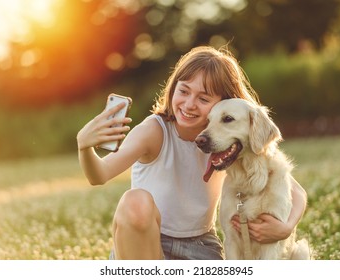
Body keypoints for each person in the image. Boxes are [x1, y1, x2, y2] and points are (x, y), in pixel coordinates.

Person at [77, 46, 307, 260]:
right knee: (134, 201)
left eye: (203, 98)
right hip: (146, 242)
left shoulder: (226, 142)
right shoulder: (154, 131)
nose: (189, 104)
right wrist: (84, 146)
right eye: (184, 91)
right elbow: (99, 175)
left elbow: (295, 191)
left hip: (200, 248)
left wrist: (285, 228)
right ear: (173, 87)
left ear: (224, 103)